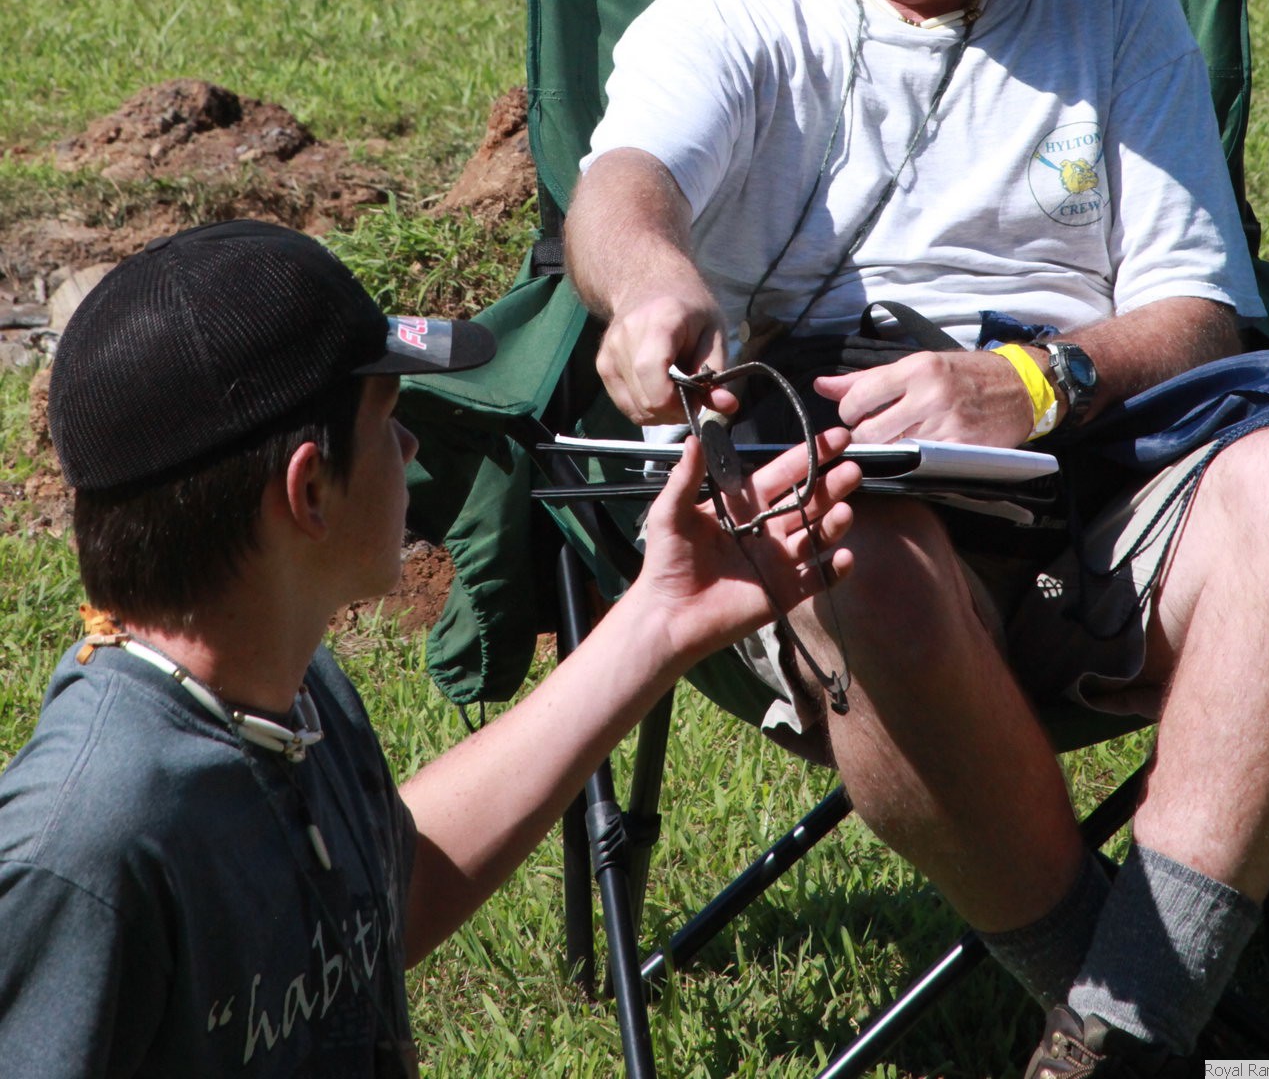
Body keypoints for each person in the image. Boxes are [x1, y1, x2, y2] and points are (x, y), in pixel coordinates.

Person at [564, 0, 1269, 1076]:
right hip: (845, 529)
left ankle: (1111, 1037)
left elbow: (1199, 306)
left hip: (1099, 489)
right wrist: (652, 286)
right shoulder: (732, 17)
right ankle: (1132, 1019)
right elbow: (625, 189)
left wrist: (1030, 381)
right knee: (855, 539)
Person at [0, 219, 856, 1074]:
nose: (409, 448)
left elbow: (384, 902)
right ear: (309, 491)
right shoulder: (84, 853)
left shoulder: (292, 692)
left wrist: (660, 619)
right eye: (388, 419)